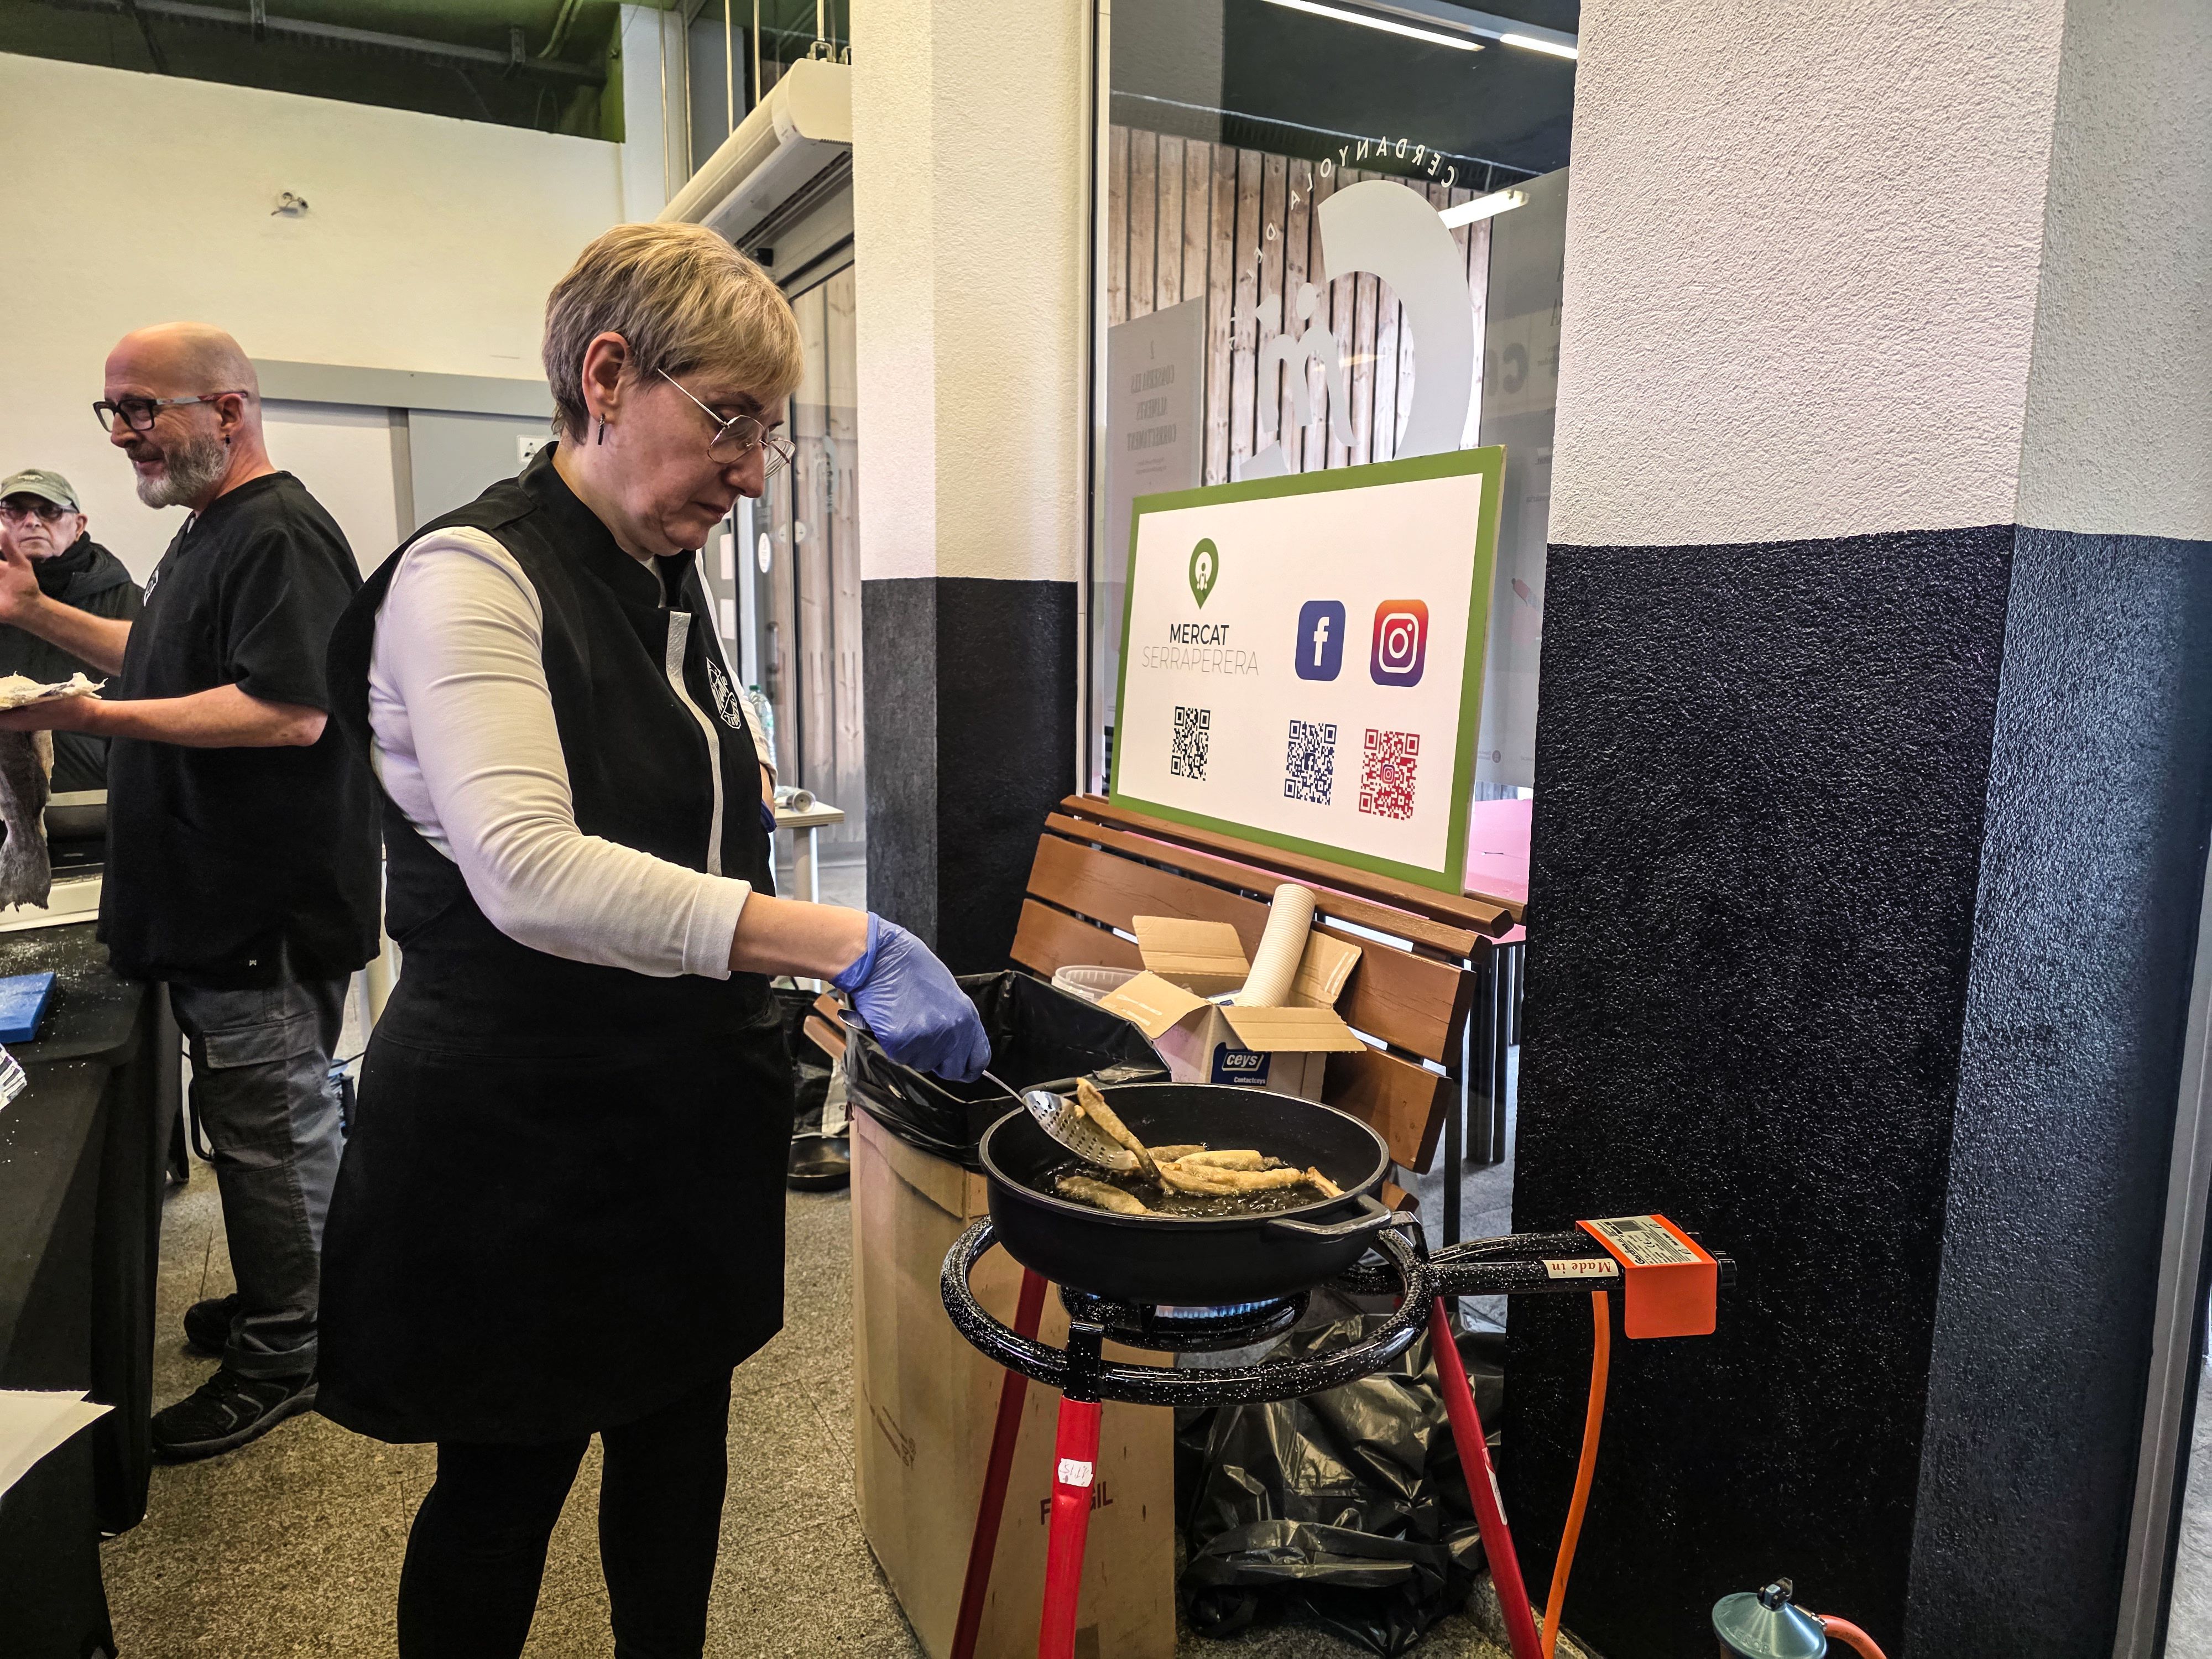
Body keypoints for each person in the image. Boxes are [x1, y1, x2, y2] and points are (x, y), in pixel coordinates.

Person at [315, 222, 990, 1659]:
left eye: (768, 432)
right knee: (505, 1489)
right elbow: (530, 871)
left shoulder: (662, 582)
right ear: (606, 376)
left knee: (681, 1463)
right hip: (519, 1136)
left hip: (677, 1118)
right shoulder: (469, 580)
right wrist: (848, 943)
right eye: (729, 418)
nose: (753, 470)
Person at [0, 326, 381, 1460]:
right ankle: (288, 1292)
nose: (127, 435)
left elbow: (291, 710)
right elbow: (157, 657)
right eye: (112, 411)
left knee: (272, 1134)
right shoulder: (209, 531)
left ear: (228, 410)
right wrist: (34, 616)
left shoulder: (279, 532)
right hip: (217, 905)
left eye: (147, 409)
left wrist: (86, 719)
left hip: (260, 905)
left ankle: (293, 1355)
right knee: (256, 1124)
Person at [0, 468, 143, 791]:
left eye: (49, 511)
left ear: (78, 525)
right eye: (15, 511)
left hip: (96, 796)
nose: (32, 521)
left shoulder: (128, 600)